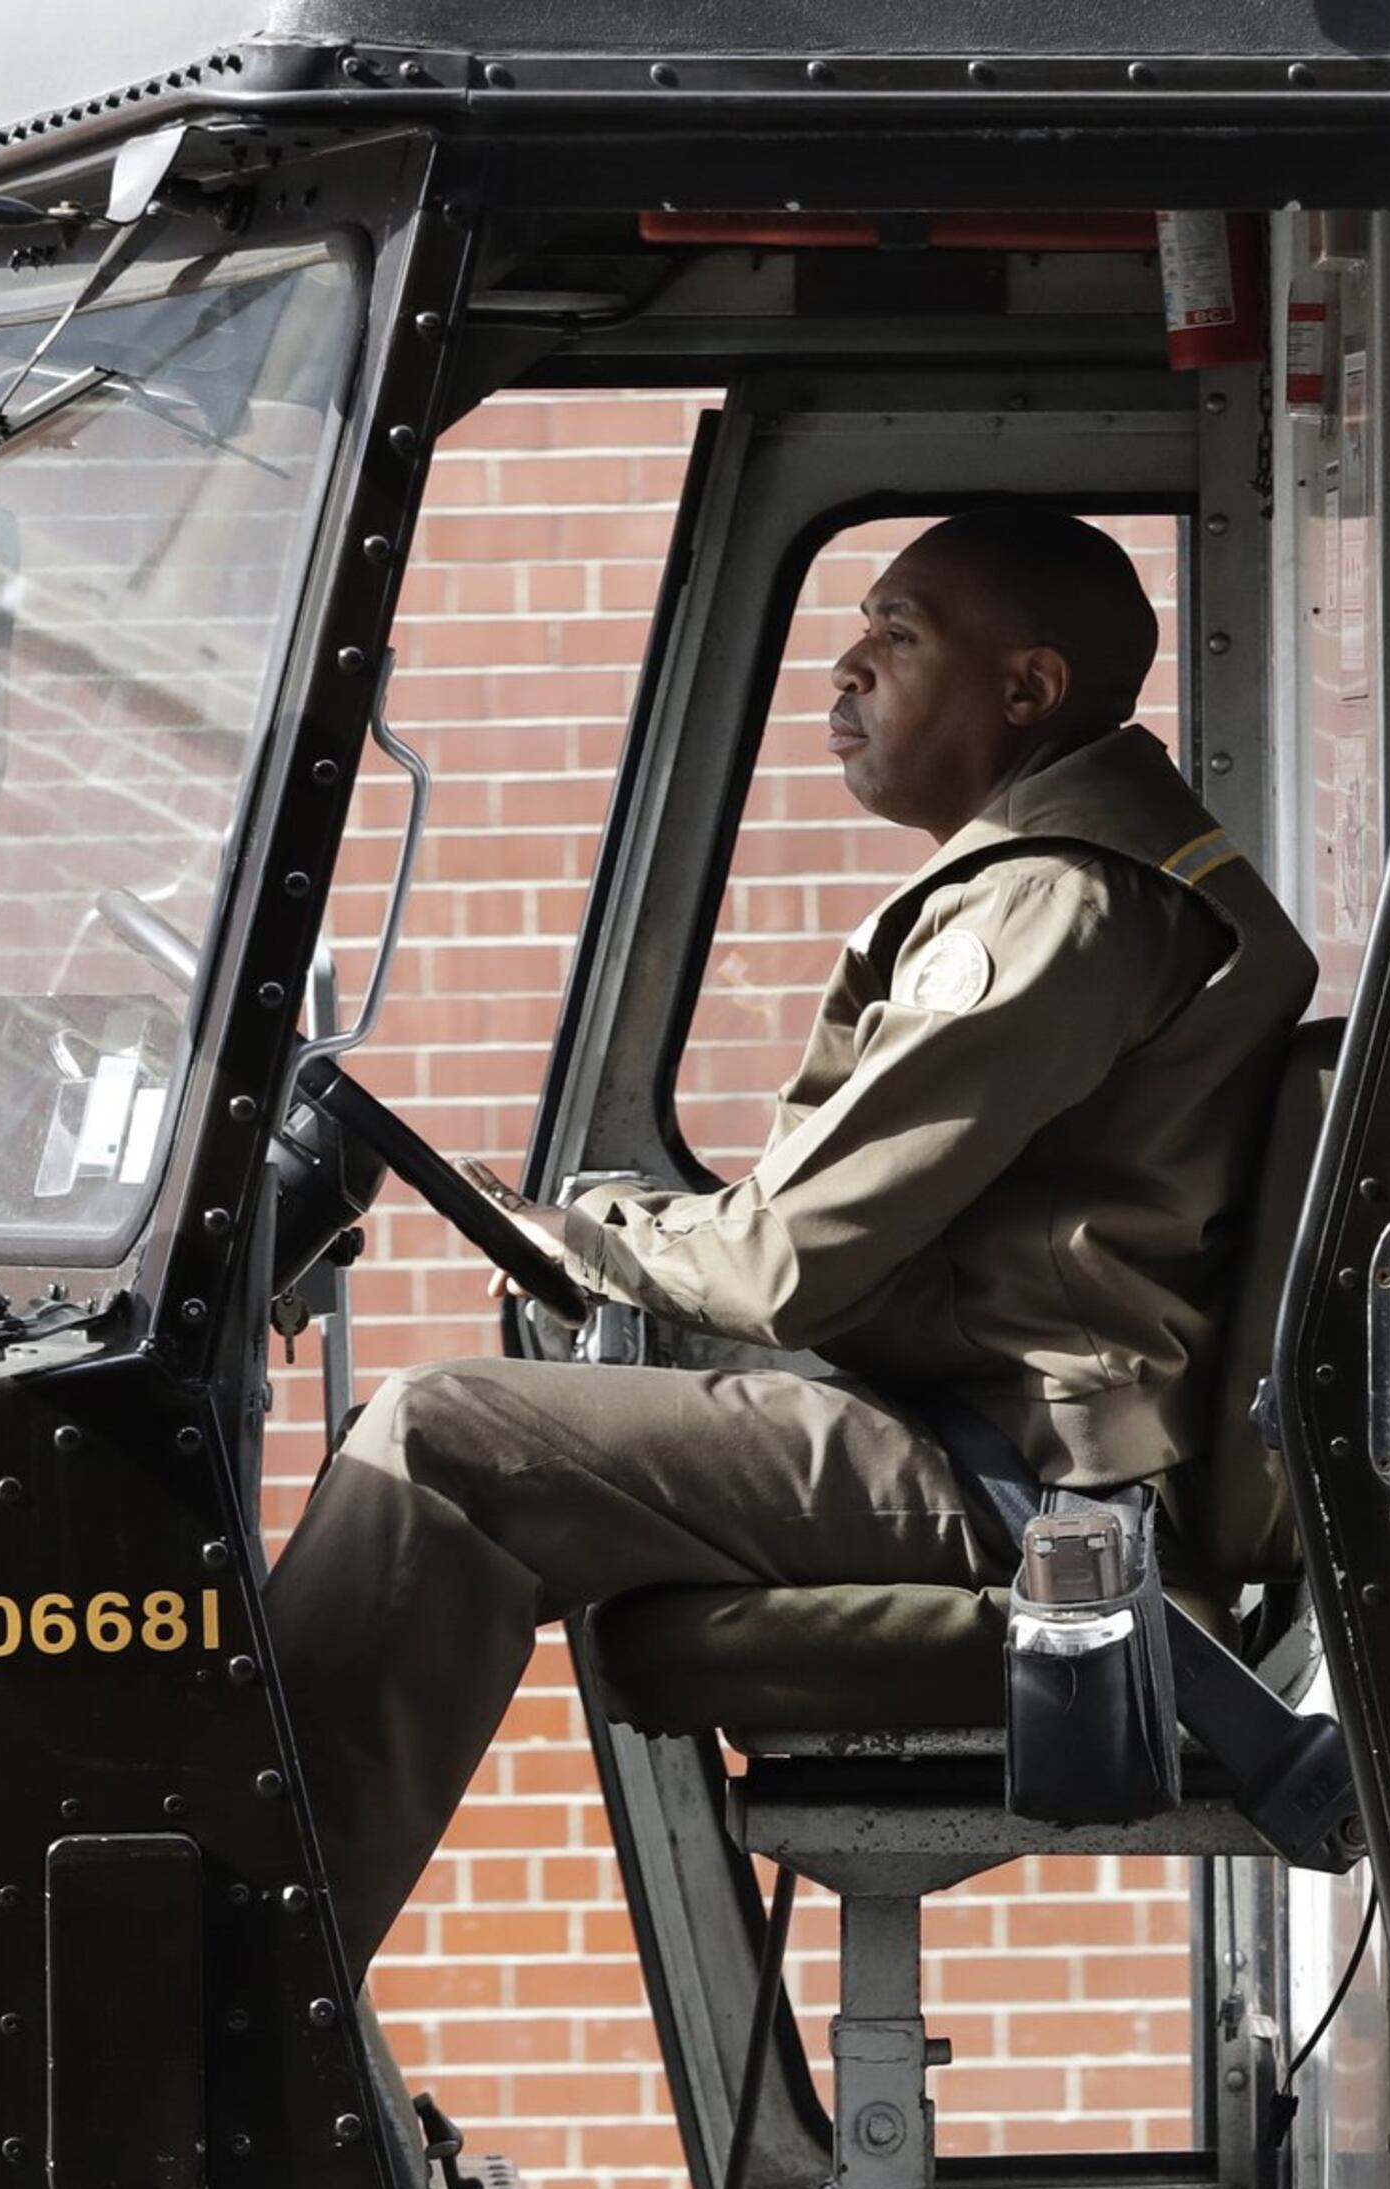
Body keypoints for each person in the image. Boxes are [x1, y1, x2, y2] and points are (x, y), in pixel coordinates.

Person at [266, 506, 1321, 1950]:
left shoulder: (1057, 906)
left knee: (441, 1441)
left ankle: (246, 2001)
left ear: (1027, 691)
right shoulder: (1083, 884)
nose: (845, 670)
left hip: (1031, 1480)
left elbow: (786, 1265)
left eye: (897, 636)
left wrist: (592, 1238)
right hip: (984, 1431)